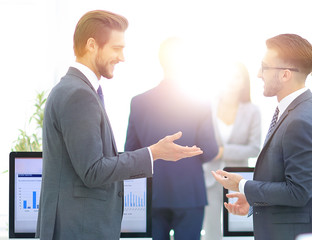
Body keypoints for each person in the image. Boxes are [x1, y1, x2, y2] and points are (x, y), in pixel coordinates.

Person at [36, 11, 202, 240]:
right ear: (92, 45)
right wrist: (153, 153)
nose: (122, 57)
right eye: (116, 48)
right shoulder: (78, 95)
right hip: (80, 230)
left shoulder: (75, 89)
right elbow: (93, 171)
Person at [212, 34, 312, 240]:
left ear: (285, 75)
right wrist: (253, 200)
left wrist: (243, 184)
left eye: (264, 67)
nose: (258, 74)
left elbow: (298, 192)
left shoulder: (300, 121)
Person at [124, 37, 219, 240]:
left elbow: (131, 151)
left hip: (153, 192)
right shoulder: (200, 102)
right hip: (190, 193)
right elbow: (209, 150)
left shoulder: (139, 102)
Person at [202, 62, 261, 240]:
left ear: (244, 82)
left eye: (237, 76)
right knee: (211, 231)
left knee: (238, 231)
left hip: (238, 180)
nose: (232, 81)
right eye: (228, 75)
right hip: (210, 178)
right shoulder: (207, 107)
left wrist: (222, 151)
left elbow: (254, 148)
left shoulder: (252, 111)